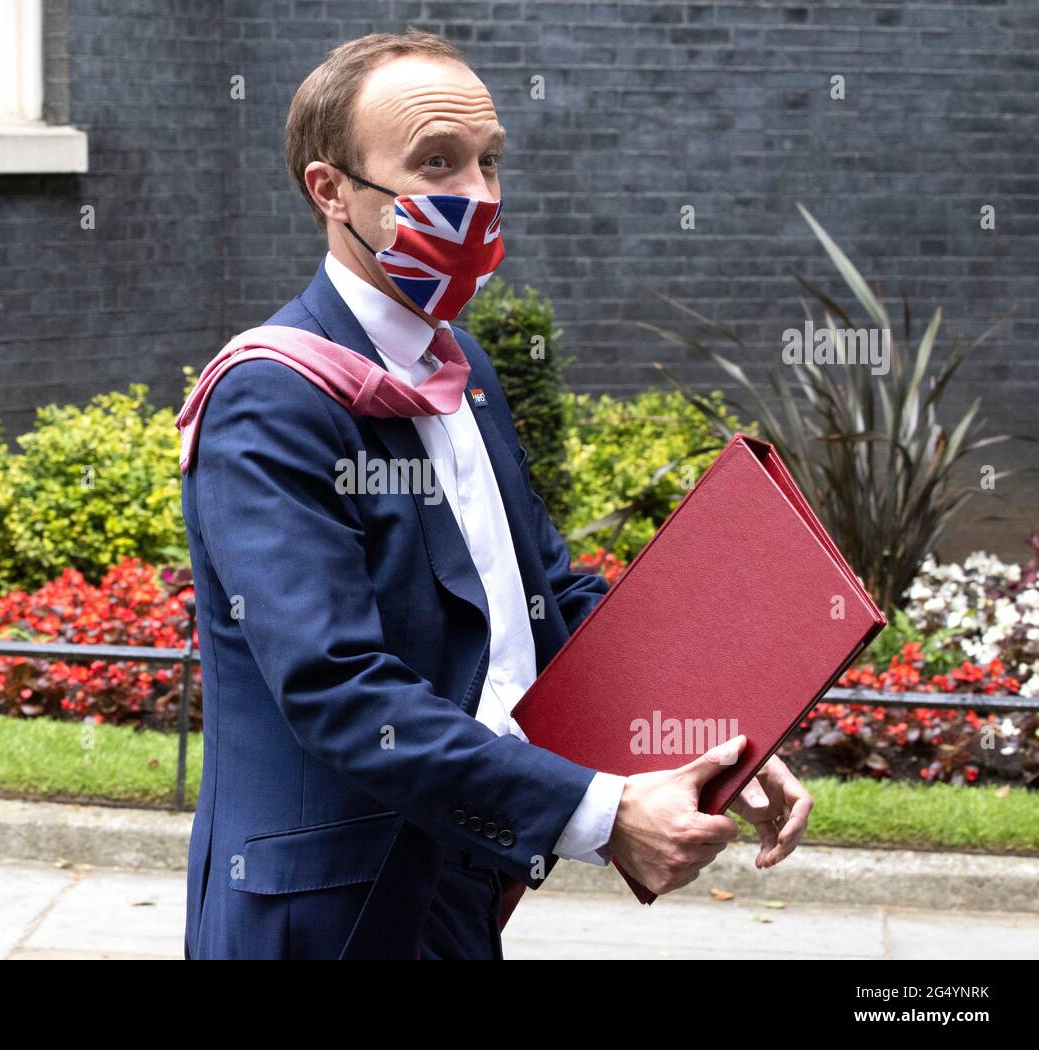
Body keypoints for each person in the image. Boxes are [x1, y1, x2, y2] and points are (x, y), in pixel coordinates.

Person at [179, 28, 812, 960]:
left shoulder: (458, 364)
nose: (476, 197)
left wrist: (714, 735)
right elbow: (337, 688)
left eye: (488, 162)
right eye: (436, 165)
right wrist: (601, 812)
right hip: (331, 915)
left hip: (463, 873)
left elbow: (542, 593)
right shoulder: (271, 399)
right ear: (331, 190)